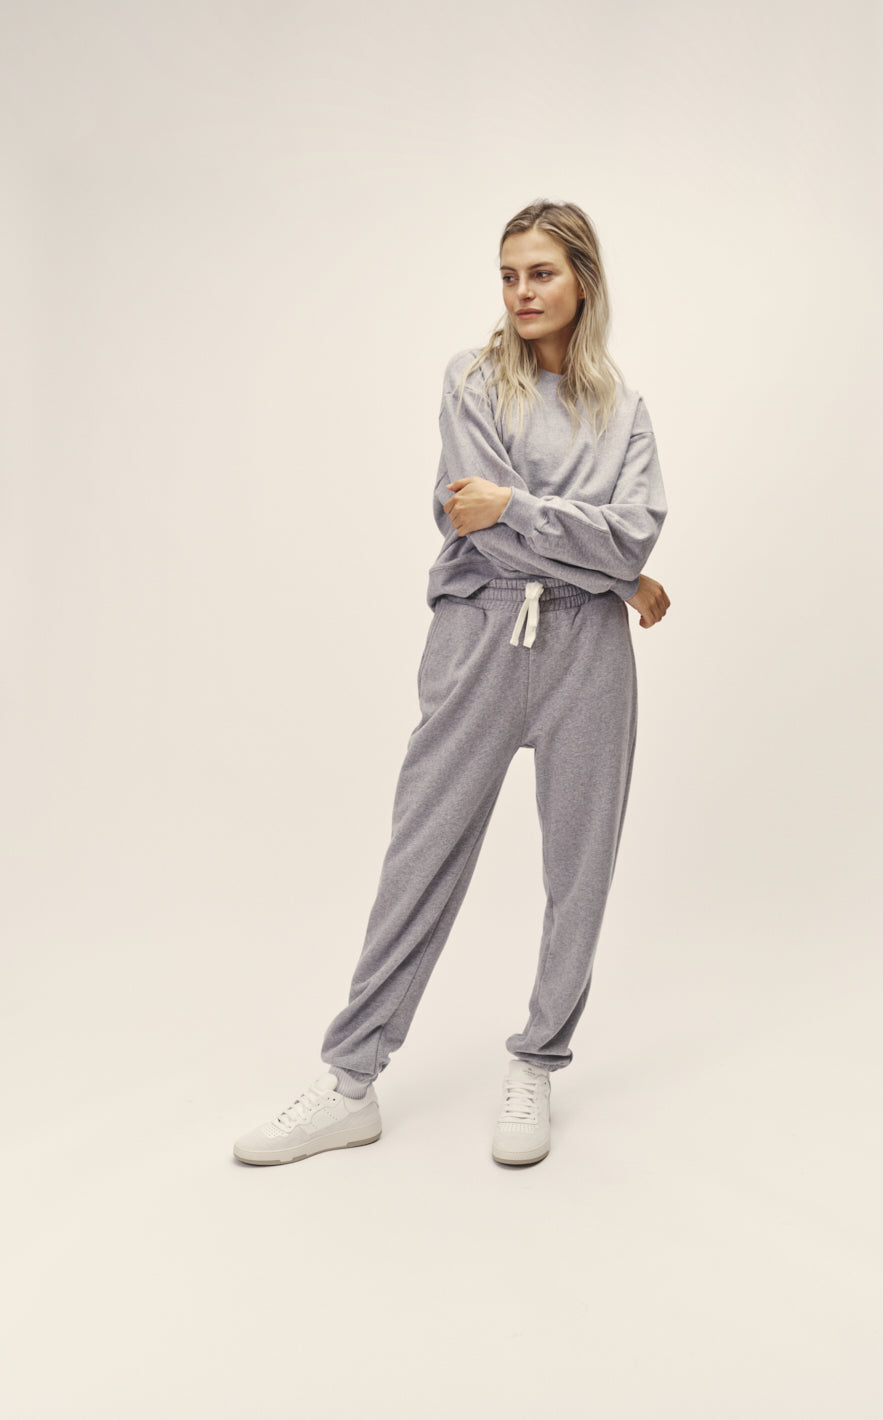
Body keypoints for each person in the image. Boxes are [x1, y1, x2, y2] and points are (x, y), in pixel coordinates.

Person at [233, 199, 669, 1169]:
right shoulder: (472, 381)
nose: (521, 292)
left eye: (541, 273)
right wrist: (610, 567)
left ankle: (537, 1062)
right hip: (480, 635)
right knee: (420, 855)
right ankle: (350, 1083)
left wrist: (535, 515)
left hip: (591, 654)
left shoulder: (624, 410)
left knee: (580, 871)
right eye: (509, 275)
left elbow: (634, 531)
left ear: (583, 280)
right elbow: (482, 526)